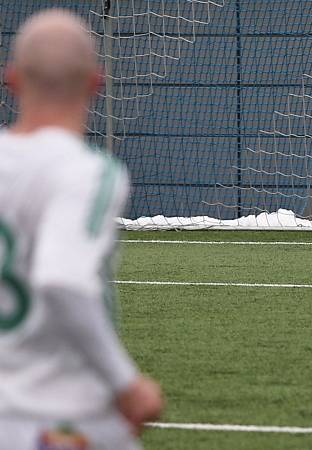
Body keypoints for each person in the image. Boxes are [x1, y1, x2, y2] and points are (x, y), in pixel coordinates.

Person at [0, 9, 163, 450]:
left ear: (11, 79)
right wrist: (126, 383)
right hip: (63, 418)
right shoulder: (88, 172)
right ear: (97, 82)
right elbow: (63, 280)